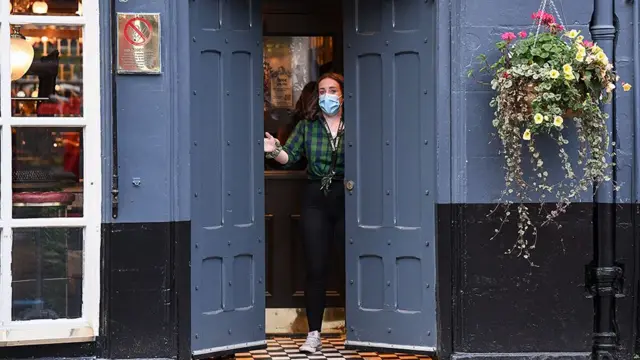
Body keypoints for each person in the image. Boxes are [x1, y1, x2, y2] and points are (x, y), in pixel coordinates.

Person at [263, 72, 345, 353]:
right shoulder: (309, 126)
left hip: (348, 197)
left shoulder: (356, 124)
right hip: (315, 200)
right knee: (316, 267)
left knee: (355, 264)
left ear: (343, 95)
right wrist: (274, 151)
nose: (327, 96)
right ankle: (314, 334)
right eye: (322, 91)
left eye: (332, 90)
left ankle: (364, 329)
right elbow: (290, 158)